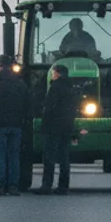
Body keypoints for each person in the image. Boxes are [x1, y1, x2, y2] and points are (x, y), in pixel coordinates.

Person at [0, 55, 29, 196]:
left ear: (0, 66)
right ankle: (13, 186)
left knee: (0, 157)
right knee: (14, 157)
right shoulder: (20, 84)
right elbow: (26, 106)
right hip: (16, 125)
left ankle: (0, 186)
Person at [36, 64, 74, 195]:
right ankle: (63, 186)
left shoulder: (55, 87)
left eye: (53, 72)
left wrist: (44, 124)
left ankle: (46, 185)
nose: (52, 75)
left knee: (49, 157)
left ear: (57, 73)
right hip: (67, 126)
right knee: (64, 157)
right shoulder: (71, 88)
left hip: (53, 127)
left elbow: (49, 108)